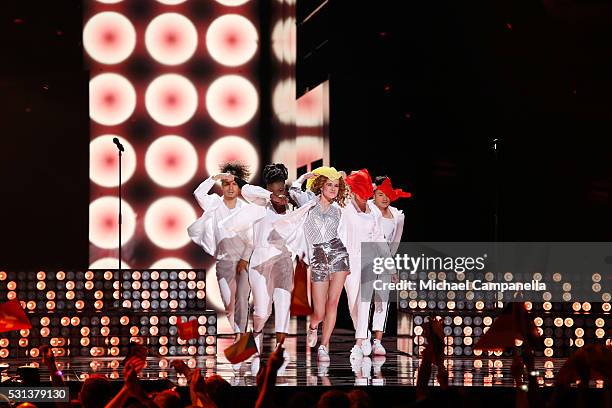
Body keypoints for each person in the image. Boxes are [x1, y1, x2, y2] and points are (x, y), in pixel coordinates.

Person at [220, 164, 296, 362]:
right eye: (274, 185)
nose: (279, 189)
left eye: (281, 185)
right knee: (262, 310)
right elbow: (246, 188)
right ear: (268, 187)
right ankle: (255, 337)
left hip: (283, 259)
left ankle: (280, 349)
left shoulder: (293, 205)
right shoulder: (259, 202)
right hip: (260, 263)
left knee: (283, 303)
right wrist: (269, 196)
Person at [280, 166, 351, 362]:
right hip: (318, 257)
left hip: (338, 253)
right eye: (329, 184)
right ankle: (313, 328)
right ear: (320, 186)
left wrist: (345, 178)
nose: (333, 189)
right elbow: (294, 190)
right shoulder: (310, 203)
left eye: (336, 186)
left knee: (333, 302)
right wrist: (305, 176)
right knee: (319, 311)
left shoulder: (340, 209)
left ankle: (324, 345)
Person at [187, 162, 253, 340]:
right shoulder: (214, 204)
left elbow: (251, 238)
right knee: (229, 305)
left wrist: (245, 259)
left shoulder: (246, 209)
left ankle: (241, 338)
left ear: (239, 186)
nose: (231, 187)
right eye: (227, 184)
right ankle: (238, 333)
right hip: (223, 262)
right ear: (222, 186)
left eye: (234, 183)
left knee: (242, 301)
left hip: (243, 263)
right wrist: (216, 177)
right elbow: (198, 193)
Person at [342, 169, 395, 361]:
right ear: (355, 191)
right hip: (348, 260)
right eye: (361, 190)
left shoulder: (373, 211)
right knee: (353, 303)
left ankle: (358, 343)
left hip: (368, 259)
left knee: (364, 301)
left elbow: (379, 238)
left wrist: (390, 266)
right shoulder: (345, 207)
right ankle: (363, 335)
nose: (365, 195)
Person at [366, 176, 411, 355]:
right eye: (380, 194)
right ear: (374, 195)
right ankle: (363, 336)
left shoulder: (397, 215)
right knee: (364, 301)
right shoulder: (366, 210)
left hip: (385, 262)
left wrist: (390, 264)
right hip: (366, 259)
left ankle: (378, 340)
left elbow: (395, 242)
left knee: (382, 301)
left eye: (387, 195)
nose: (384, 198)